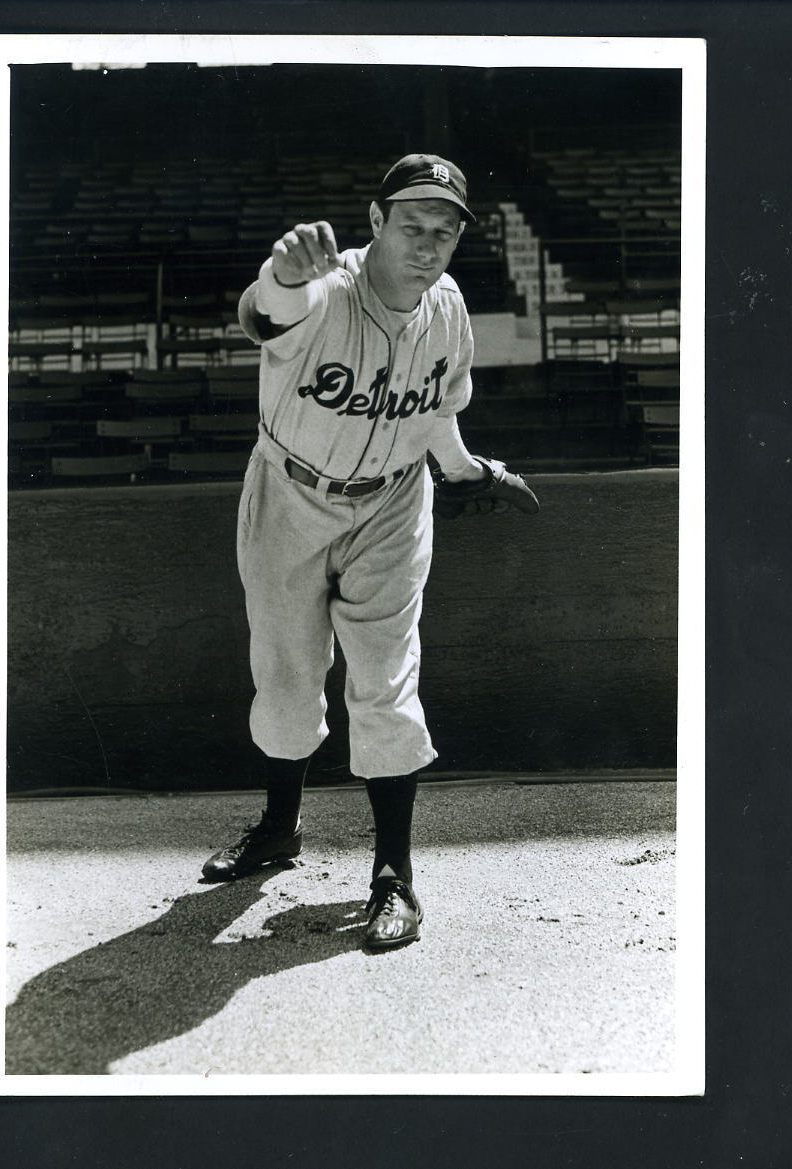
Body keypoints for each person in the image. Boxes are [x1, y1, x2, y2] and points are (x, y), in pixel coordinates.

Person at [201, 154, 538, 949]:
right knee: (285, 678)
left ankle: (395, 876)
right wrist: (280, 275)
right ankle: (278, 830)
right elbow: (266, 309)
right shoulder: (322, 287)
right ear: (376, 220)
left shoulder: (446, 306)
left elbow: (434, 411)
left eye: (443, 231)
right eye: (411, 223)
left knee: (386, 682)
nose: (426, 243)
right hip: (288, 493)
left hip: (391, 499)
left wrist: (466, 471)